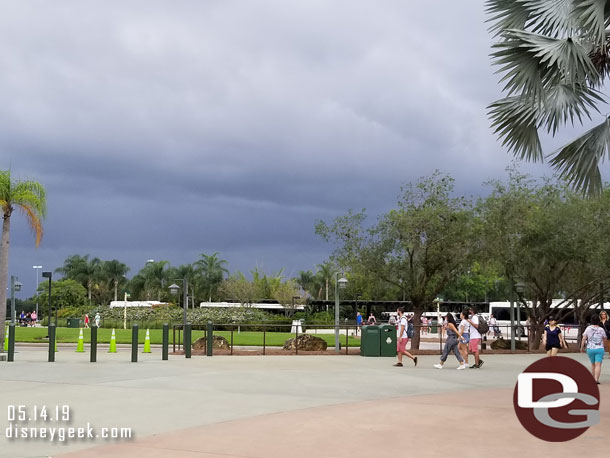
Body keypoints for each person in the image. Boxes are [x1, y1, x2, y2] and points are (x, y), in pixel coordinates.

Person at [580, 314, 607, 384]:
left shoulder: (588, 328)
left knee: (593, 364)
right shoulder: (601, 329)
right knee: (598, 364)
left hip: (590, 348)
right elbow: (604, 339)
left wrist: (582, 347)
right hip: (599, 348)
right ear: (599, 321)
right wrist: (605, 346)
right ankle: (596, 379)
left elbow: (584, 338)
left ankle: (593, 378)